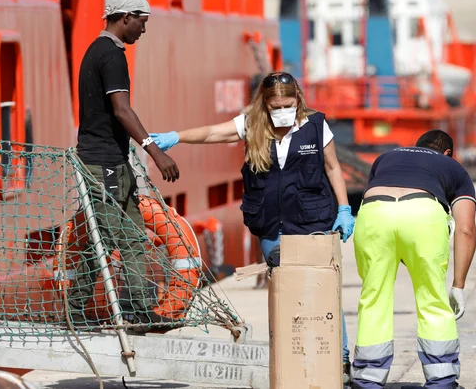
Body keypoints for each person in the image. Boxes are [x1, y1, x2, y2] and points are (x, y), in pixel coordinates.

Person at [150, 71, 355, 380]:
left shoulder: (315, 126)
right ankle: (291, 357)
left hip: (313, 221)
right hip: (273, 225)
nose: (282, 110)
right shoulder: (252, 124)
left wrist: (344, 208)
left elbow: (333, 167)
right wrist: (176, 137)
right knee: (285, 294)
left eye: (288, 103)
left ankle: (338, 361)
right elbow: (211, 134)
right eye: (276, 105)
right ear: (265, 103)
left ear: (297, 99)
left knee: (323, 290)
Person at [68, 0, 180, 332]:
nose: (143, 30)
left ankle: (114, 310)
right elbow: (121, 109)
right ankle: (103, 312)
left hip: (107, 159)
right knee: (117, 236)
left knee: (116, 236)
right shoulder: (112, 56)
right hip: (103, 164)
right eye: (141, 22)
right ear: (126, 17)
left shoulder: (95, 51)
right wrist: (155, 151)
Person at [350, 130, 476, 389]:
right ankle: (441, 380)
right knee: (431, 298)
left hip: (374, 214)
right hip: (422, 214)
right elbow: (466, 228)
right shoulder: (453, 167)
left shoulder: (386, 157)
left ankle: (368, 379)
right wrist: (458, 285)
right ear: (448, 153)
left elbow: (383, 206)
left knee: (374, 297)